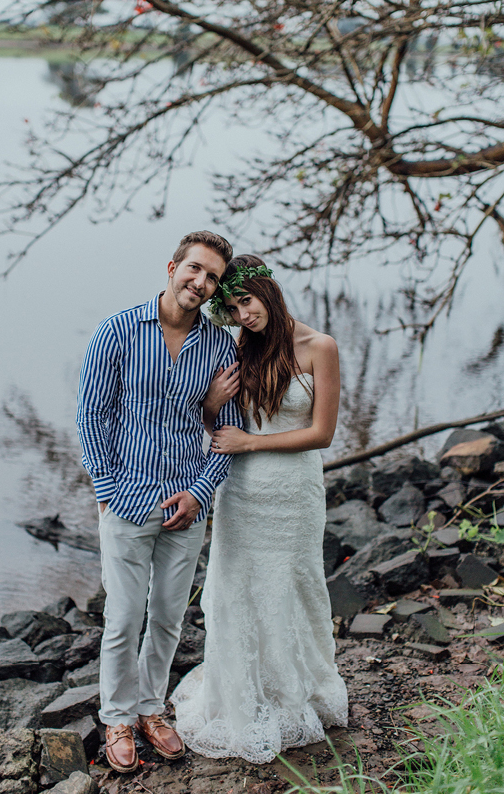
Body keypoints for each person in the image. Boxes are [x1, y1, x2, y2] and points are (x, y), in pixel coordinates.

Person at [76, 231, 243, 773]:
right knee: (124, 618)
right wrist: (107, 491)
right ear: (172, 268)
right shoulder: (118, 331)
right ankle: (116, 718)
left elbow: (229, 432)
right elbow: (91, 416)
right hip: (126, 500)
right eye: (194, 269)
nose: (200, 281)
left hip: (186, 505)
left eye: (212, 277)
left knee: (169, 617)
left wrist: (200, 493)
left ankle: (151, 709)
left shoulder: (219, 346)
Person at [171, 255, 348, 764]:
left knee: (291, 588)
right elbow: (221, 428)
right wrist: (210, 407)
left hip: (294, 493)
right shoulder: (236, 348)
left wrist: (251, 443)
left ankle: (295, 694)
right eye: (231, 308)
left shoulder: (320, 347)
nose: (243, 315)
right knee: (238, 591)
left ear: (268, 290)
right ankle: (242, 697)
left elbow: (323, 433)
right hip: (242, 493)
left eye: (246, 301)